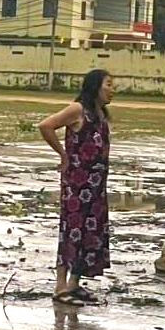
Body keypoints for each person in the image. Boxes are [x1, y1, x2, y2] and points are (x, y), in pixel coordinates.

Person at [38, 69, 114, 306]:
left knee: (91, 232)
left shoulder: (100, 114)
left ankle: (74, 283)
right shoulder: (77, 110)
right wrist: (63, 154)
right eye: (108, 85)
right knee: (71, 229)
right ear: (95, 87)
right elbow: (46, 125)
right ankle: (60, 286)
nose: (113, 89)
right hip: (76, 184)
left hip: (96, 185)